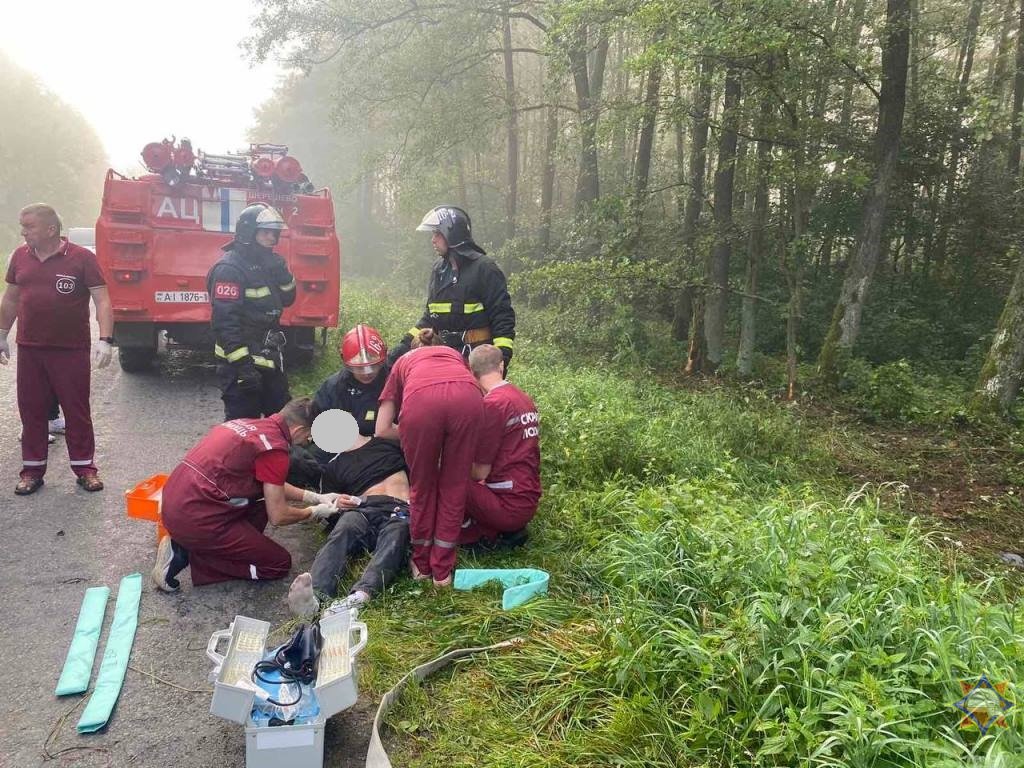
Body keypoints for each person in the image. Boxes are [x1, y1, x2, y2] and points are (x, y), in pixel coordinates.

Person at [151, 398, 341, 592]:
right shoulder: (274, 449)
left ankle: (195, 543)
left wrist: (314, 497)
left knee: (260, 499)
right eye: (308, 436)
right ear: (299, 430)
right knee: (278, 563)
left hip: (176, 502)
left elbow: (271, 484)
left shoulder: (247, 425)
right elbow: (278, 515)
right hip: (196, 517)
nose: (306, 442)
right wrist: (314, 512)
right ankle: (186, 554)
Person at [1, 203, 113, 495]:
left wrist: (106, 339)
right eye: (22, 226)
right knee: (32, 411)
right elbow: (11, 298)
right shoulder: (19, 257)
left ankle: (85, 469)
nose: (23, 232)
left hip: (70, 349)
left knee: (76, 411)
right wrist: (1, 333)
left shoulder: (82, 259)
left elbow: (102, 299)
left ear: (51, 229)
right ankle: (32, 471)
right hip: (30, 349)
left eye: (29, 227)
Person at [376, 329, 483, 586]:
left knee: (423, 488)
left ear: (414, 347)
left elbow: (381, 429)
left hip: (422, 405)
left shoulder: (404, 361)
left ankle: (423, 566)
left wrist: (418, 434)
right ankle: (443, 572)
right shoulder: (455, 356)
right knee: (455, 486)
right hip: (468, 399)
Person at [286, 435, 411, 616]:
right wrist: (338, 504)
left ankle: (361, 595)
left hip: (400, 506)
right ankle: (315, 597)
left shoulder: (386, 442)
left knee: (397, 532)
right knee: (346, 527)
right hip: (363, 506)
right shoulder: (333, 467)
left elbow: (419, 466)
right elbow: (330, 506)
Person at [390, 206, 516, 372]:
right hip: (444, 358)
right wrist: (403, 347)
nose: (433, 240)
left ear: (451, 234)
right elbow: (430, 317)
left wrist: (501, 360)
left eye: (437, 234)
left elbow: (502, 317)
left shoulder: (484, 268)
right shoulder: (439, 270)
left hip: (477, 362)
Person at [207, 202, 296, 420]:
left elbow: (288, 300)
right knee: (244, 430)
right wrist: (244, 368)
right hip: (239, 365)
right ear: (248, 232)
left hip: (269, 359)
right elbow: (225, 325)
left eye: (274, 234)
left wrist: (283, 275)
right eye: (266, 233)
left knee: (283, 425)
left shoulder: (269, 264)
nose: (272, 239)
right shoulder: (230, 269)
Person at [462, 345, 541, 549]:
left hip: (508, 504)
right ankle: (502, 530)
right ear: (501, 365)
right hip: (527, 497)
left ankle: (473, 531)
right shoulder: (522, 397)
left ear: (472, 372)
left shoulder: (492, 405)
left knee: (450, 478)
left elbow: (479, 472)